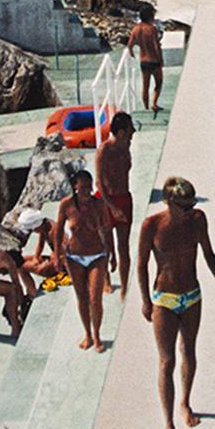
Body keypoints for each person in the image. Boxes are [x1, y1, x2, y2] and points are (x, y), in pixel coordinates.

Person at [138, 175, 215, 429]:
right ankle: (168, 424)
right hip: (164, 299)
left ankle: (185, 402)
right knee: (166, 361)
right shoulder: (152, 226)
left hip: (192, 295)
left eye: (192, 203)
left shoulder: (197, 219)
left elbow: (208, 252)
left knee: (189, 351)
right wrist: (146, 301)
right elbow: (142, 265)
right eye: (183, 205)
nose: (189, 209)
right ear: (168, 202)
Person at [53, 166, 113, 353]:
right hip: (74, 257)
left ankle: (96, 334)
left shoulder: (99, 204)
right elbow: (58, 231)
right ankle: (87, 333)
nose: (87, 191)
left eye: (89, 187)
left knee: (95, 298)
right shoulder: (67, 205)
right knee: (82, 298)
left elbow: (107, 230)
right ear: (75, 187)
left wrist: (113, 255)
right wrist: (57, 254)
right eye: (83, 187)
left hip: (97, 255)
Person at [96, 109, 136, 297]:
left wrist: (120, 208)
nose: (133, 134)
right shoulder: (104, 150)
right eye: (130, 131)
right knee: (105, 245)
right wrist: (112, 207)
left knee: (124, 247)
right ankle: (107, 282)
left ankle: (125, 287)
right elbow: (99, 183)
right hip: (106, 200)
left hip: (124, 198)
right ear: (121, 133)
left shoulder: (125, 146)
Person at [127, 5, 165, 114]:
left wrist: (132, 53)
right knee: (158, 83)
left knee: (145, 86)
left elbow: (130, 45)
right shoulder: (151, 29)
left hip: (143, 61)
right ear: (150, 16)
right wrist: (161, 60)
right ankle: (154, 104)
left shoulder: (135, 29)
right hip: (154, 61)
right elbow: (156, 46)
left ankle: (146, 108)